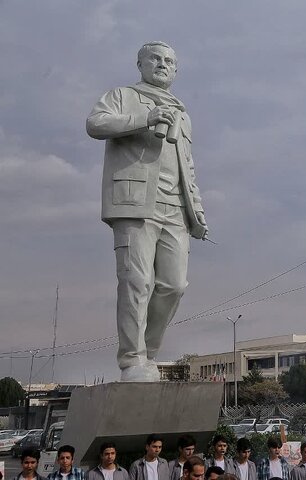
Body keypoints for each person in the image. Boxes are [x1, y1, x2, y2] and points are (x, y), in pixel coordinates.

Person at [86, 41, 208, 381]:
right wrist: (145, 119)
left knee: (174, 285)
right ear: (140, 63)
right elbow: (95, 124)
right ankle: (132, 359)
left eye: (170, 60)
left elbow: (189, 166)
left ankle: (148, 353)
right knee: (136, 281)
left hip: (176, 207)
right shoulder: (122, 96)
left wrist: (196, 208)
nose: (163, 64)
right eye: (155, 58)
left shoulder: (183, 113)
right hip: (135, 203)